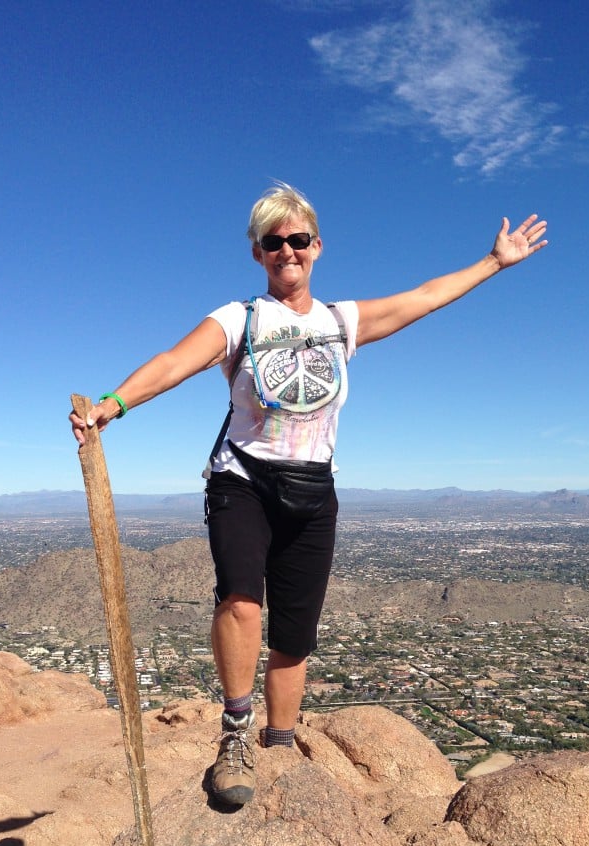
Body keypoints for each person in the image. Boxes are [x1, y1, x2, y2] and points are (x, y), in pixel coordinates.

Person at [70, 182, 547, 807]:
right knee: (242, 600)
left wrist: (493, 262)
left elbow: (423, 298)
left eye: (298, 240)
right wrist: (114, 404)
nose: (287, 251)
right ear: (258, 253)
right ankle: (235, 735)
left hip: (313, 488)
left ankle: (280, 743)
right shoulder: (238, 319)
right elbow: (173, 362)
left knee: (295, 633)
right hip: (243, 479)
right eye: (274, 243)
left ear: (317, 246)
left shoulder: (340, 322)